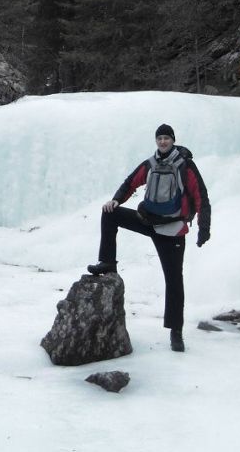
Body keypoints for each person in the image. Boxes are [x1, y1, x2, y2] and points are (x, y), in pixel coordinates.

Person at [86, 124, 212, 352]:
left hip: (173, 230)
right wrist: (117, 199)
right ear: (156, 141)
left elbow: (200, 195)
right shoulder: (151, 164)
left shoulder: (185, 165)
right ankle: (108, 262)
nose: (163, 142)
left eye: (167, 138)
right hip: (149, 222)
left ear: (173, 140)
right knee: (110, 213)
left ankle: (176, 332)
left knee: (174, 281)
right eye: (160, 138)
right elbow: (131, 181)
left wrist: (204, 228)